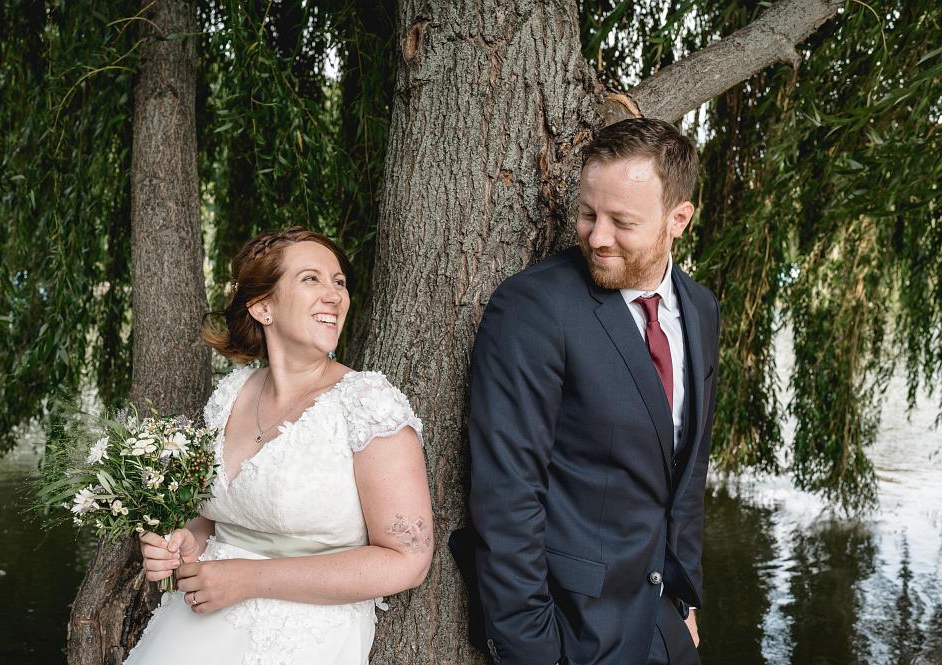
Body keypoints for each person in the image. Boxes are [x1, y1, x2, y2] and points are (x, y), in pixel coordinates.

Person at [462, 118, 719, 665]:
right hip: (574, 630)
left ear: (678, 220)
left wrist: (685, 594)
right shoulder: (534, 308)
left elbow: (687, 469)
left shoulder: (700, 311)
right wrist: (533, 650)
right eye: (587, 214)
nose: (597, 237)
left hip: (664, 622)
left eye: (622, 222)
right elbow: (506, 497)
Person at [125, 227, 433, 665]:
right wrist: (181, 544)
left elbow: (409, 560)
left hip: (303, 640)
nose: (334, 295)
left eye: (339, 282)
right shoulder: (230, 394)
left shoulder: (367, 404)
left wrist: (249, 580)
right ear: (263, 306)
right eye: (311, 279)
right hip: (191, 628)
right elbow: (210, 518)